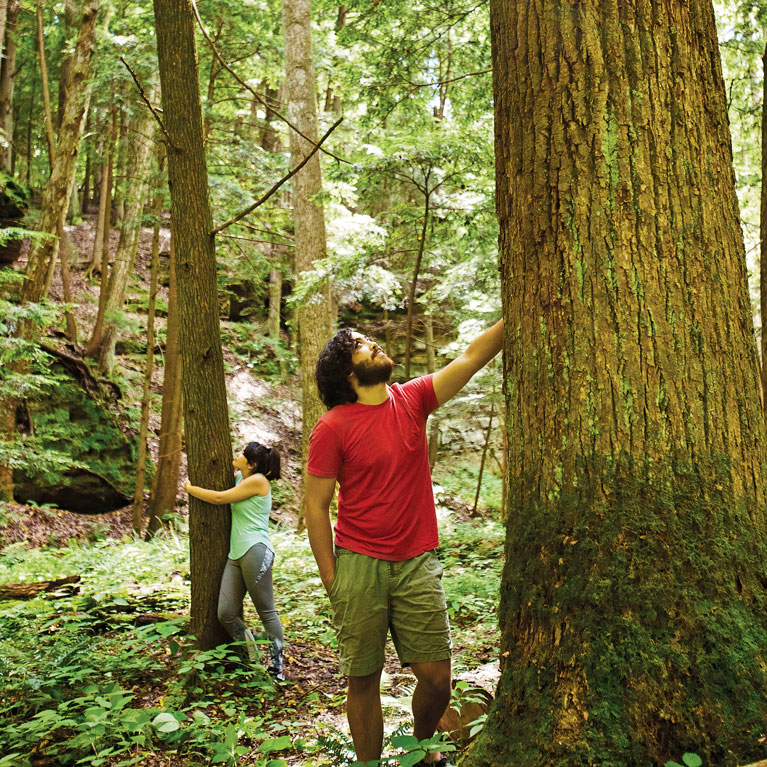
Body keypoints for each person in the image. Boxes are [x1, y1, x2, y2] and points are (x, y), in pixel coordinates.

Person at [305, 320, 503, 766]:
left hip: (416, 561)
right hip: (358, 565)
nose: (372, 345)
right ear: (347, 373)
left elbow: (470, 358)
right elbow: (315, 505)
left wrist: (514, 315)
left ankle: (419, 752)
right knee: (363, 680)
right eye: (360, 346)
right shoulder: (332, 427)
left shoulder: (412, 399)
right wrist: (333, 579)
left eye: (369, 340)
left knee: (437, 679)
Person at [184, 441, 285, 681]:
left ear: (252, 464)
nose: (237, 455)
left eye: (243, 454)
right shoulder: (242, 477)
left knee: (266, 611)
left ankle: (277, 667)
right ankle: (253, 655)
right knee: (225, 613)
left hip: (256, 550)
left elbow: (220, 498)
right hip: (235, 554)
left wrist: (190, 489)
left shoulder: (258, 481)